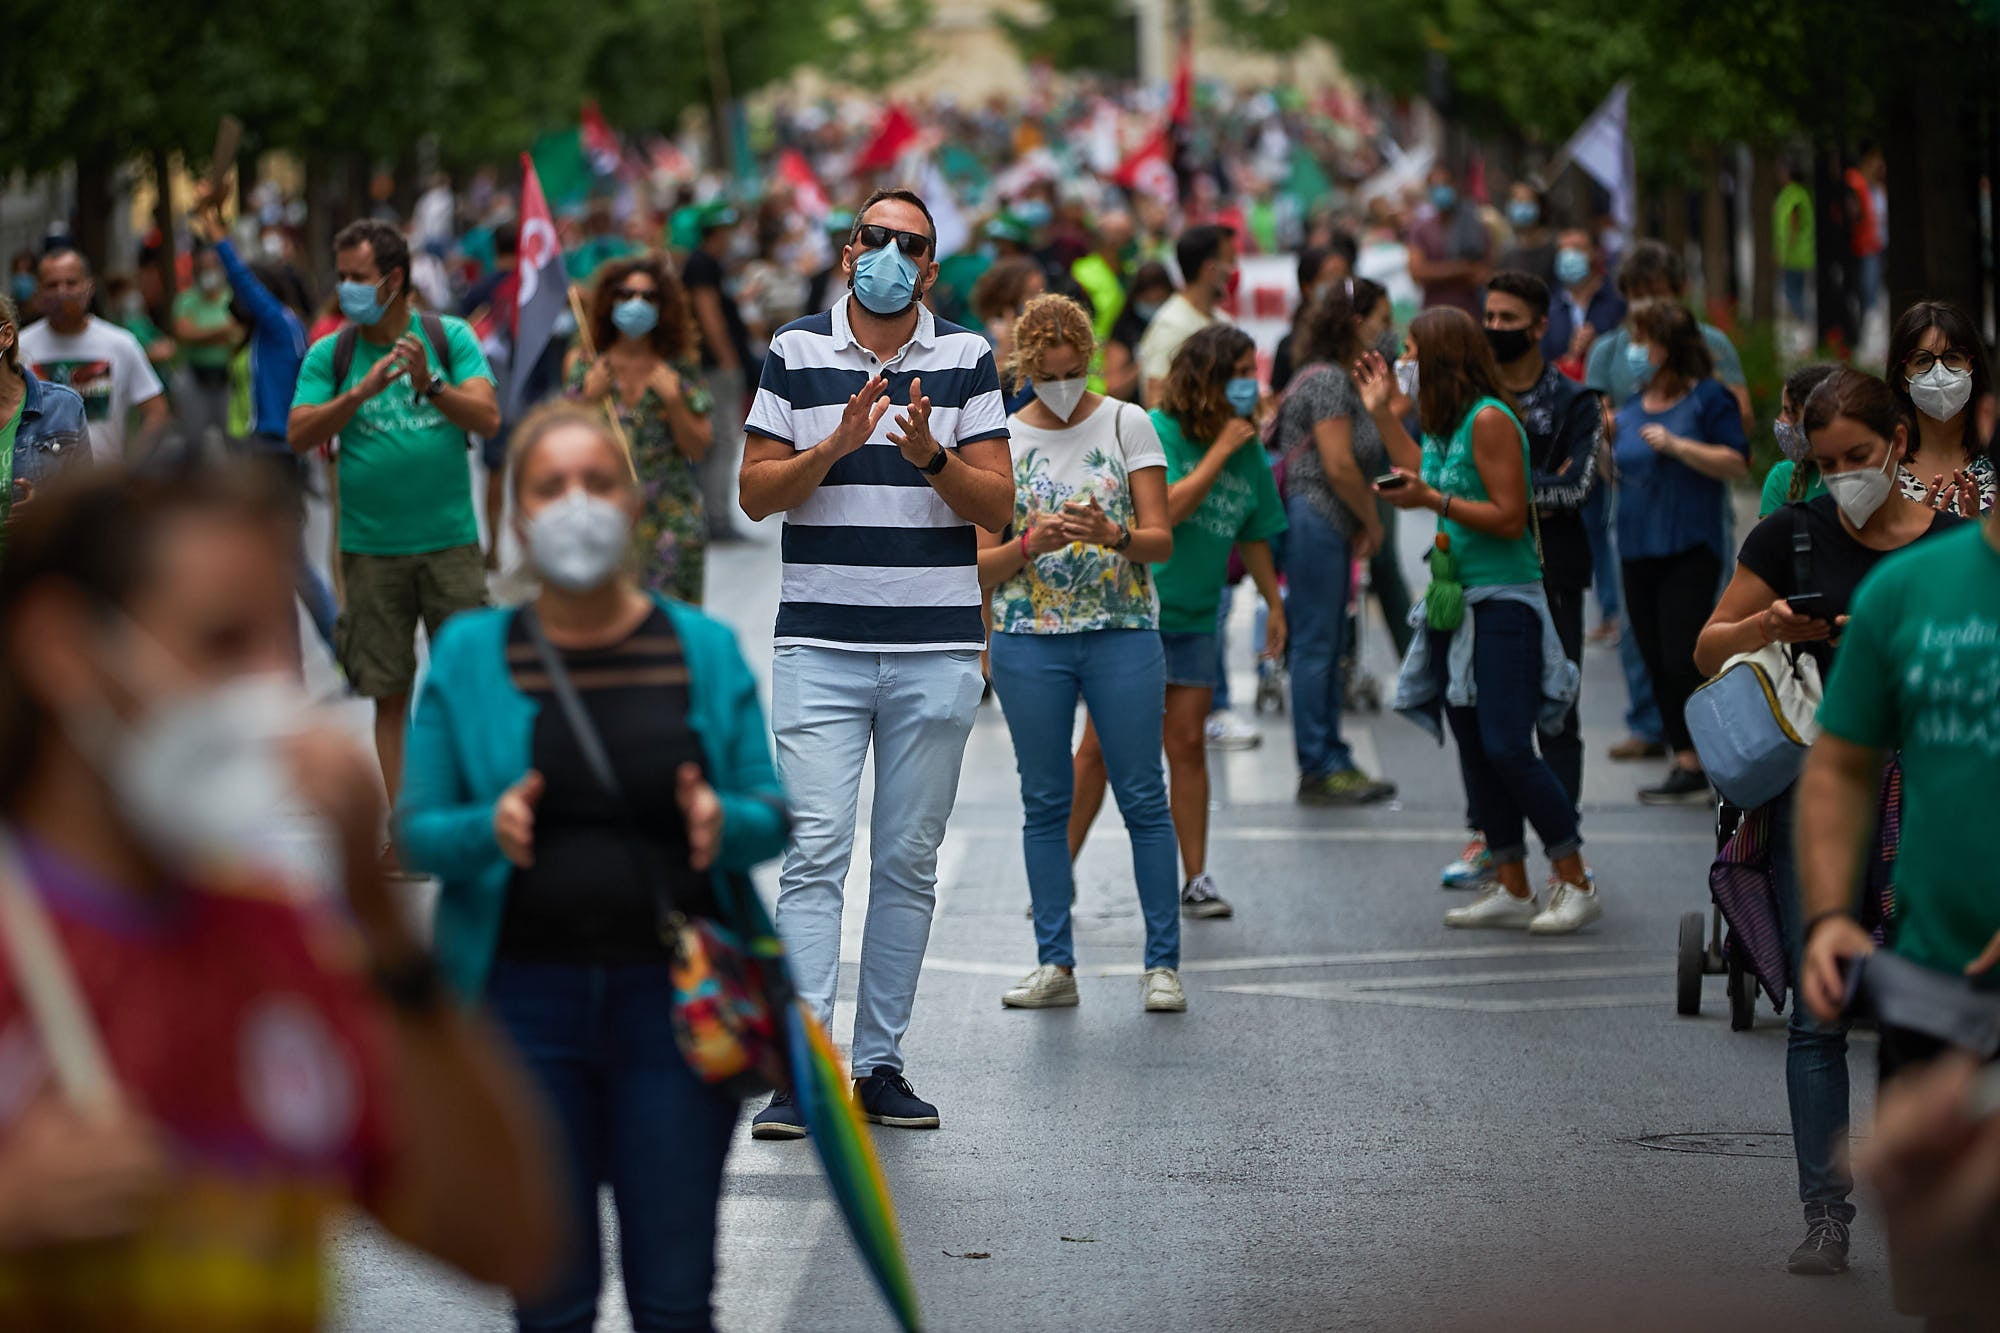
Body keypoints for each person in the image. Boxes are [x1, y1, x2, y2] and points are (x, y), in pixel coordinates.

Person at [0, 464, 560, 1328]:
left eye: (282, 646)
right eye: (224, 642)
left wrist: (387, 938)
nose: (273, 690)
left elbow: (507, 1241)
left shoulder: (279, 936)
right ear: (64, 652)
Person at [398, 403, 787, 1331]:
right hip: (519, 1012)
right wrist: (484, 829)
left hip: (678, 1008)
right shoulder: (468, 654)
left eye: (598, 481)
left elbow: (769, 813)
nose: (578, 504)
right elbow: (416, 831)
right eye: (551, 485)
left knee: (673, 1296)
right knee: (553, 1299)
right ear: (519, 514)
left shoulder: (700, 647)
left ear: (635, 502)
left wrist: (715, 820)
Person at [737, 189, 1014, 1139]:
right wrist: (838, 445)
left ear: (932, 269)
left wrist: (932, 453)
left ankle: (881, 1063)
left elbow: (997, 512)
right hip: (819, 646)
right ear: (848, 248)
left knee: (904, 859)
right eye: (875, 237)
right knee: (813, 854)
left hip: (935, 649)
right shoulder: (793, 350)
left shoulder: (968, 356)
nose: (890, 254)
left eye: (912, 244)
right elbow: (755, 495)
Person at [1698, 367, 1966, 1279]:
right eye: (1826, 462)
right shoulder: (1790, 535)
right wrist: (1767, 624)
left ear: (1898, 442)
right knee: (1819, 1014)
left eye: (1860, 455)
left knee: (1934, 1002)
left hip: (1933, 797)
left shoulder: (1957, 549)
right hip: (1821, 792)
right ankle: (1826, 1213)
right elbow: (1706, 646)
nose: (1846, 475)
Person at [1797, 424, 2000, 1330]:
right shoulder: (1908, 591)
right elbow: (1841, 764)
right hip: (1936, 998)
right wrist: (1834, 913)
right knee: (1956, 1295)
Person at [1356, 310, 1598, 934]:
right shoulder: (1444, 424)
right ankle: (1512, 884)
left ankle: (1574, 877)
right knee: (1475, 751)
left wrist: (1431, 500)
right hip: (1454, 601)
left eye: (1410, 351)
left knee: (1508, 746)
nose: (1403, 361)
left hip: (1504, 603)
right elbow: (1424, 472)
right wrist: (1384, 414)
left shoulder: (1490, 419)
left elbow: (1510, 516)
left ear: (1439, 357)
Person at [975, 295, 1184, 1013]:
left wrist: (1112, 532)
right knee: (1044, 801)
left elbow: (1162, 540)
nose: (1060, 387)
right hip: (1030, 640)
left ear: (1089, 358)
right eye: (1045, 374)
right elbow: (980, 566)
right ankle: (1053, 963)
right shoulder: (999, 438)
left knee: (1142, 796)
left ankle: (1163, 964)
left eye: (1071, 371)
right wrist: (1031, 544)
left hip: (1123, 630)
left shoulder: (1128, 422)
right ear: (1023, 368)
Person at [1071, 325, 1287, 922]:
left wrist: (1275, 603)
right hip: (1137, 613)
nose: (1251, 382)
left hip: (1196, 615)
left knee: (1188, 747)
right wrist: (1218, 450)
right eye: (1240, 368)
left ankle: (1196, 878)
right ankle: (1055, 872)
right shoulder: (1158, 431)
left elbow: (1256, 533)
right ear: (1211, 375)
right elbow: (1163, 512)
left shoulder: (1248, 447)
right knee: (1099, 751)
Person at [287, 219, 500, 809]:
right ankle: (408, 823)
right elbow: (299, 432)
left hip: (450, 544)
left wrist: (429, 384)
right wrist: (356, 394)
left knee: (466, 684)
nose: (348, 288)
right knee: (387, 693)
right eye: (343, 276)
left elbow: (486, 418)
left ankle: (465, 810)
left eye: (359, 277)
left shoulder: (448, 336)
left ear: (394, 279)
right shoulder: (335, 353)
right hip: (370, 551)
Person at [1440, 272, 1602, 889]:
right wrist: (1507, 493)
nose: (1496, 328)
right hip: (1473, 578)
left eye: (1511, 319)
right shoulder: (1468, 400)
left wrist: (1500, 493)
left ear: (1540, 327)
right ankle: (1492, 841)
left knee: (1555, 713)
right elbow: (1437, 467)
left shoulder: (1575, 402)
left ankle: (1568, 855)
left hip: (1552, 574)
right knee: (1475, 710)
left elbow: (1578, 486)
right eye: (1491, 316)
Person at [188, 195, 337, 657]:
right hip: (262, 450)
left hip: (275, 453)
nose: (237, 301)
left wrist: (217, 236)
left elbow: (244, 284)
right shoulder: (269, 334)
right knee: (279, 567)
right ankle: (298, 669)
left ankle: (341, 654)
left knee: (289, 566)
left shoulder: (279, 326)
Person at [1612, 300, 1749, 804]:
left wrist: (1677, 446)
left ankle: (1717, 757)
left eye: (1642, 340)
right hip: (1635, 546)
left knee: (1683, 655)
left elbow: (1736, 461)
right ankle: (1685, 761)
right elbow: (1621, 470)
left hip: (1690, 545)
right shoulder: (1630, 403)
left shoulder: (1709, 399)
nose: (1633, 351)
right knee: (1652, 655)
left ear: (1668, 347)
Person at [1269, 279, 1398, 806]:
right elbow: (1340, 464)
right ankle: (1318, 762)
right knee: (1317, 644)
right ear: (1355, 322)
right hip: (1316, 517)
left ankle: (1332, 753)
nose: (1388, 331)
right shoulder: (1325, 382)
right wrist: (1372, 520)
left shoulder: (1339, 379)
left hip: (1327, 522)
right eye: (1381, 318)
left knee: (1326, 642)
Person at [565, 256, 714, 604]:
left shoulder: (678, 367)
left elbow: (699, 448)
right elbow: (563, 445)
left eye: (648, 297)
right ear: (608, 302)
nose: (636, 304)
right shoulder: (586, 365)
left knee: (673, 631)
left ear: (664, 307)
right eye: (626, 294)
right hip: (602, 521)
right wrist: (588, 399)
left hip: (670, 523)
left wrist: (675, 403)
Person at [18, 248, 169, 464]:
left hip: (103, 486)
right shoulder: (19, 347)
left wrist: (132, 467)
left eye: (71, 283)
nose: (62, 292)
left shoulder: (120, 344)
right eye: (52, 285)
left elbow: (157, 412)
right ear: (39, 292)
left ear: (89, 287)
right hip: (39, 491)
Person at [0, 291, 91, 558]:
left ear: (6, 336)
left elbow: (86, 505)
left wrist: (45, 511)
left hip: (37, 574)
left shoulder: (63, 407)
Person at [683, 202, 753, 541]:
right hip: (715, 368)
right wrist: (727, 358)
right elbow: (708, 313)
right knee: (722, 440)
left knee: (723, 440)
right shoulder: (702, 265)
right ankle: (717, 519)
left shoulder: (709, 264)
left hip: (716, 365)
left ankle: (716, 515)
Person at [1886, 300, 1995, 517]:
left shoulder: (1995, 458)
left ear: (1973, 368)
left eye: (1953, 358)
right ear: (1903, 381)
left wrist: (1979, 533)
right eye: (1923, 360)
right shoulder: (1884, 468)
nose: (1939, 372)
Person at [1136, 224, 1235, 406]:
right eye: (1229, 262)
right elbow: (1156, 400)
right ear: (1209, 269)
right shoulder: (1171, 326)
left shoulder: (1223, 322)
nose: (1233, 271)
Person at [170, 245, 242, 448]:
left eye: (213, 266)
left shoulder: (232, 297)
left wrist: (201, 334)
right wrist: (223, 331)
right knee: (193, 441)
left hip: (228, 378)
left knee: (234, 439)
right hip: (195, 377)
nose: (209, 273)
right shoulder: (186, 300)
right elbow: (184, 333)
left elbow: (239, 333)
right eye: (203, 268)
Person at [1271, 236, 1358, 393]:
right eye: (1331, 278)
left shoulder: (1360, 339)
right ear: (1308, 287)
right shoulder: (1289, 347)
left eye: (1345, 277)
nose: (1340, 286)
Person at [1757, 362, 1843, 517]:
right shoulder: (1782, 478)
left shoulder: (1860, 480)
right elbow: (1768, 540)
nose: (1781, 421)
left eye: (1790, 412)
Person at [1407, 166, 1491, 315]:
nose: (1441, 190)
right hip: (1434, 313)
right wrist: (1463, 268)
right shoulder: (1421, 229)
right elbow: (1418, 272)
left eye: (1445, 184)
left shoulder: (1475, 226)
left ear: (1455, 186)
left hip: (1469, 311)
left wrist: (1438, 272)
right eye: (1435, 186)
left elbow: (1482, 273)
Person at [1541, 228, 1626, 373]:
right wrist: (1568, 359)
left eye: (1577, 248)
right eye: (1563, 250)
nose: (1569, 256)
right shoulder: (1549, 307)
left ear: (1594, 253)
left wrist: (1598, 349)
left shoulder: (1617, 300)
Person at [970, 257, 1048, 414]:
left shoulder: (1043, 340)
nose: (1041, 302)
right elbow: (977, 398)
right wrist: (1006, 353)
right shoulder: (981, 343)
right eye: (1031, 294)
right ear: (1008, 301)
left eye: (1043, 292)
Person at [1103, 260, 1172, 404]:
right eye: (1147, 300)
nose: (1153, 307)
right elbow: (1113, 389)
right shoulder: (1125, 328)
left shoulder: (1174, 324)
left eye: (1159, 301)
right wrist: (1144, 364)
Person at [1070, 210, 1134, 348]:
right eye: (1126, 238)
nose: (1131, 244)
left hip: (1124, 355)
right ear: (1109, 243)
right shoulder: (1083, 272)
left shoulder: (1131, 270)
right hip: (1095, 359)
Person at [1774, 160, 1816, 324]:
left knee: (1792, 291)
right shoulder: (1801, 193)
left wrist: (1783, 251)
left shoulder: (1793, 195)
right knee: (1797, 290)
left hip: (1794, 254)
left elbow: (1793, 223)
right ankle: (1802, 319)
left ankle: (1801, 320)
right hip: (1800, 253)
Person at [1495, 182, 1557, 287]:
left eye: (1527, 202)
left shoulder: (1554, 246)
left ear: (1540, 207)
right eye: (1517, 202)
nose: (1521, 208)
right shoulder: (1506, 250)